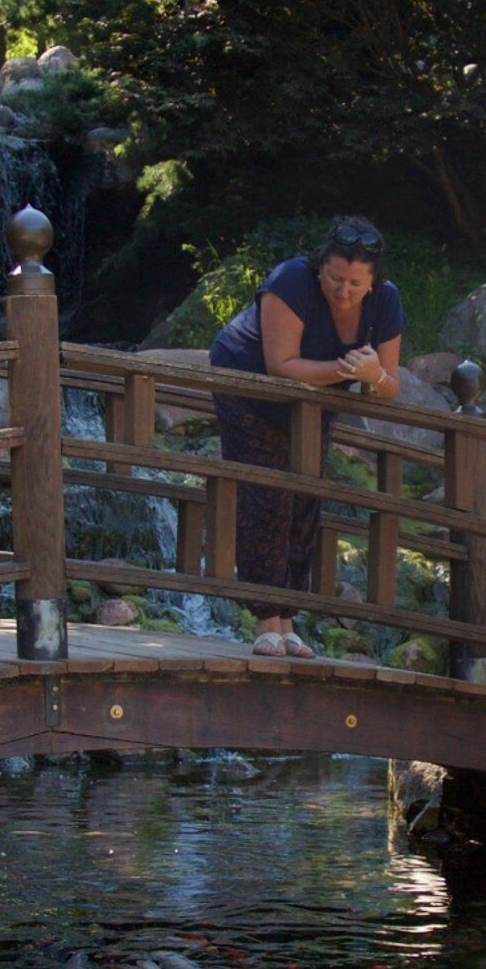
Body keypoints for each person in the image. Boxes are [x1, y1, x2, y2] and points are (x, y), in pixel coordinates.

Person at [209, 217, 405, 657]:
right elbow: (281, 364)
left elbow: (390, 386)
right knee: (267, 494)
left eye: (356, 282)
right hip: (249, 382)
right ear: (320, 268)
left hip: (315, 397)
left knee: (305, 496)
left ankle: (290, 618)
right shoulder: (291, 280)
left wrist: (373, 375)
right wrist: (349, 370)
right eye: (335, 278)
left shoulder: (386, 302)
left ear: (373, 281)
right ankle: (265, 621)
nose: (344, 290)